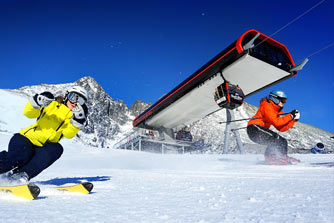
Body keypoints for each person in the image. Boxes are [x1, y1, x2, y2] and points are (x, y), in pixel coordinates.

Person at [0, 86, 88, 183]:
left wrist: (77, 122)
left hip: (44, 147)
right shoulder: (52, 104)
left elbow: (68, 134)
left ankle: (19, 176)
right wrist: (37, 101)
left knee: (57, 149)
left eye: (80, 101)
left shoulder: (73, 118)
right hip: (25, 139)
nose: (75, 102)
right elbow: (28, 113)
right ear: (67, 96)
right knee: (20, 156)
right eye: (73, 97)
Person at [247, 90, 300, 165]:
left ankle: (281, 156)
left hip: (260, 131)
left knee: (282, 141)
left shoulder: (276, 112)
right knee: (276, 138)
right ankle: (272, 157)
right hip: (254, 129)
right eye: (283, 100)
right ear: (275, 98)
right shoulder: (266, 105)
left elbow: (281, 128)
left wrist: (293, 120)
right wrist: (290, 116)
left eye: (285, 100)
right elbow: (276, 122)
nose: (284, 102)